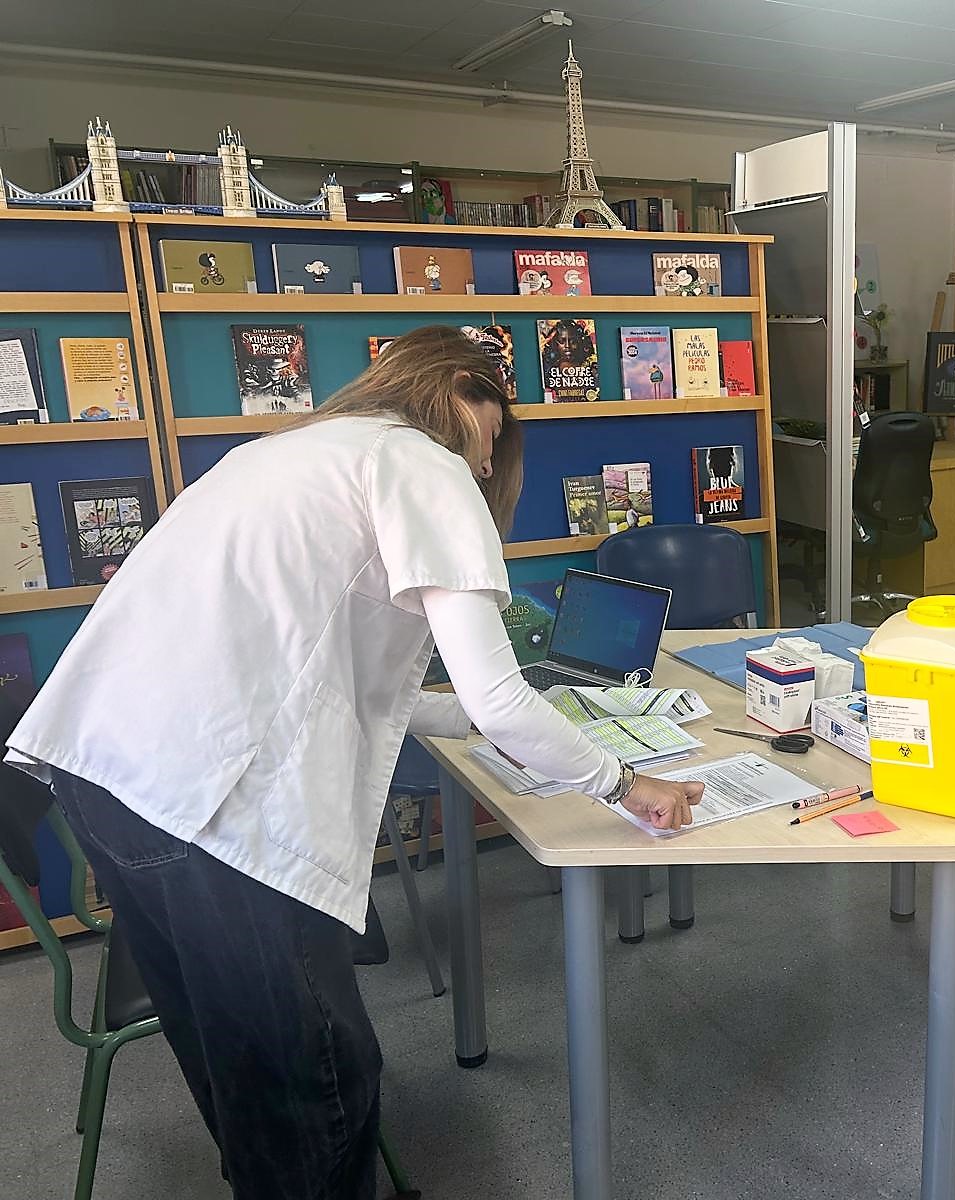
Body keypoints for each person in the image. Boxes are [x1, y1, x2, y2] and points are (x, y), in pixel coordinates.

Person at [4, 326, 703, 1197]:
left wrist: (486, 724)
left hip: (108, 776)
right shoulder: (420, 461)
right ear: (457, 391)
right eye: (492, 437)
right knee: (314, 1079)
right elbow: (499, 698)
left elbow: (342, 678)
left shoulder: (288, 452)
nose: (487, 466)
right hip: (210, 806)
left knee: (235, 1058)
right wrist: (627, 782)